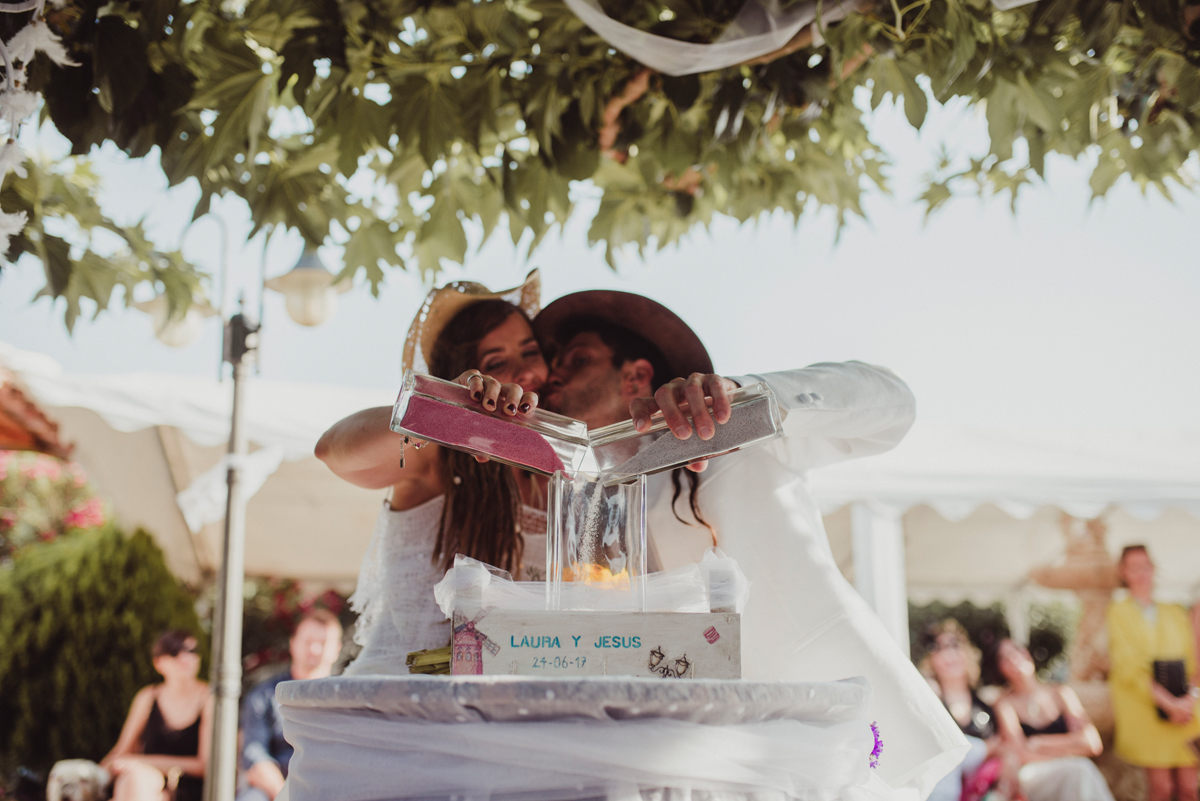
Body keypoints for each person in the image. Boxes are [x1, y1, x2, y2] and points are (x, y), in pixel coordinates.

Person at [530, 291, 968, 798]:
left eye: (578, 360)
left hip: (814, 751)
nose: (554, 376)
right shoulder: (577, 510)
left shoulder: (729, 432)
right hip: (676, 771)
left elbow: (893, 406)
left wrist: (747, 396)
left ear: (636, 376)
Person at [315, 270, 549, 673]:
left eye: (530, 352)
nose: (524, 371)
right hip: (397, 706)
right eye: (497, 361)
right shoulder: (436, 456)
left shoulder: (555, 478)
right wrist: (438, 412)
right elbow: (333, 451)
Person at [1106, 544, 1200, 801]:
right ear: (1123, 572)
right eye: (1134, 567)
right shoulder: (1119, 612)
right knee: (1162, 789)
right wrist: (1168, 704)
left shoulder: (1174, 613)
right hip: (1147, 709)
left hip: (1186, 711)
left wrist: (1190, 699)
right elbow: (1128, 667)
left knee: (1190, 789)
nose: (1141, 573)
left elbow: (1195, 661)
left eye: (1145, 566)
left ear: (1153, 569)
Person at [986, 638, 1114, 801]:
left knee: (1078, 773)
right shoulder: (1005, 704)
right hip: (1033, 774)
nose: (1014, 658)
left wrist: (1040, 742)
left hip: (1068, 770)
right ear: (999, 669)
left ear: (1027, 653)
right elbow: (1020, 753)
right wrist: (1070, 747)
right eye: (1005, 658)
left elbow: (1092, 743)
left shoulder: (1061, 693)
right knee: (1080, 770)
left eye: (1016, 650)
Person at [237, 610, 344, 801]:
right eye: (308, 641)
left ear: (337, 649)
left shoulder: (347, 700)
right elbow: (256, 757)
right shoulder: (263, 696)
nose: (314, 649)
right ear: (293, 644)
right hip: (276, 788)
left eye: (323, 643)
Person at [101, 630, 213, 801]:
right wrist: (91, 775)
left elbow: (204, 766)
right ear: (158, 663)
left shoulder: (209, 698)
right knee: (134, 781)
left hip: (190, 788)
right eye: (175, 653)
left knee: (134, 781)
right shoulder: (148, 697)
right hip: (148, 782)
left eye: (192, 652)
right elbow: (122, 751)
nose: (185, 659)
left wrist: (142, 763)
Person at [921, 620, 1018, 801]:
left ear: (967, 655)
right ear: (931, 660)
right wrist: (986, 748)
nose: (949, 654)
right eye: (940, 648)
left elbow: (1004, 748)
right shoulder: (929, 701)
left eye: (955, 646)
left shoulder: (986, 707)